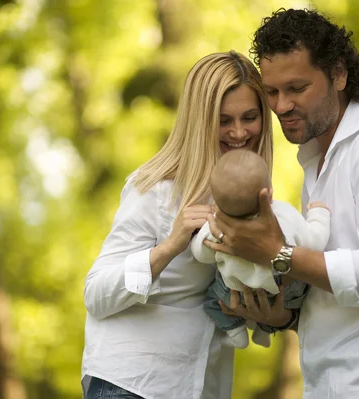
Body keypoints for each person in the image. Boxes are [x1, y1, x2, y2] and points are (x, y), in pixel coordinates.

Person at [206, 8, 359, 398]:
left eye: (296, 88)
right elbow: (342, 295)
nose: (281, 105)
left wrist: (280, 253)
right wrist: (285, 316)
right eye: (272, 92)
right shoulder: (315, 165)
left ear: (339, 75)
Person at [81, 51, 278, 399]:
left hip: (201, 384)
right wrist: (170, 246)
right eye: (223, 120)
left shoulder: (255, 199)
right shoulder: (155, 189)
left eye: (250, 117)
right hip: (131, 384)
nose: (238, 132)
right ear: (200, 122)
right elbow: (96, 295)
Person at [190, 149, 330, 349]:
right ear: (269, 194)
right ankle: (264, 330)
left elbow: (201, 254)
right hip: (281, 290)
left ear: (217, 202)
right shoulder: (283, 216)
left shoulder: (216, 224)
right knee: (301, 291)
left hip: (233, 292)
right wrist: (319, 215)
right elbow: (315, 243)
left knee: (212, 300)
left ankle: (235, 329)